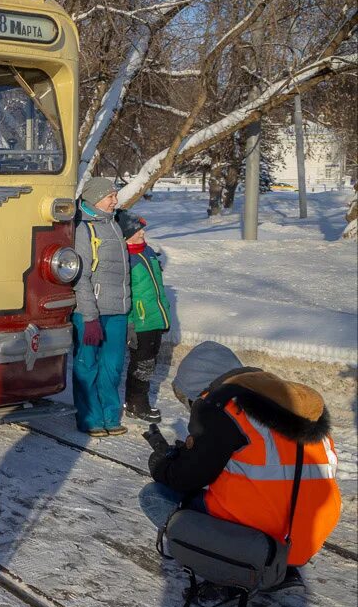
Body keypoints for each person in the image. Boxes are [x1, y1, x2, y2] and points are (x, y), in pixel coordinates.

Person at [149, 341, 341, 567]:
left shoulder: (224, 408)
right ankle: (263, 566)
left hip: (260, 540)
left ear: (201, 387)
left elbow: (186, 478)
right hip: (305, 537)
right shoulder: (283, 399)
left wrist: (162, 466)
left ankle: (226, 569)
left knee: (155, 496)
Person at [71, 177, 130, 437]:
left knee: (113, 366)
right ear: (95, 199)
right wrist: (89, 316)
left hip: (117, 311)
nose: (115, 200)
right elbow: (80, 276)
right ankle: (90, 418)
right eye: (110, 196)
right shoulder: (83, 229)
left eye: (115, 195)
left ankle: (110, 415)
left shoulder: (114, 226)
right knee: (87, 365)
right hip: (90, 313)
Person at [119, 210, 168, 422]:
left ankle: (136, 401)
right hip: (140, 321)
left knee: (150, 362)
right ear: (126, 235)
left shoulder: (146, 251)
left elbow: (157, 287)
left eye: (142, 229)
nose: (142, 234)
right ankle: (137, 404)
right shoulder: (124, 258)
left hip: (154, 316)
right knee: (142, 364)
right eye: (138, 231)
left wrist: (164, 313)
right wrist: (130, 324)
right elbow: (124, 295)